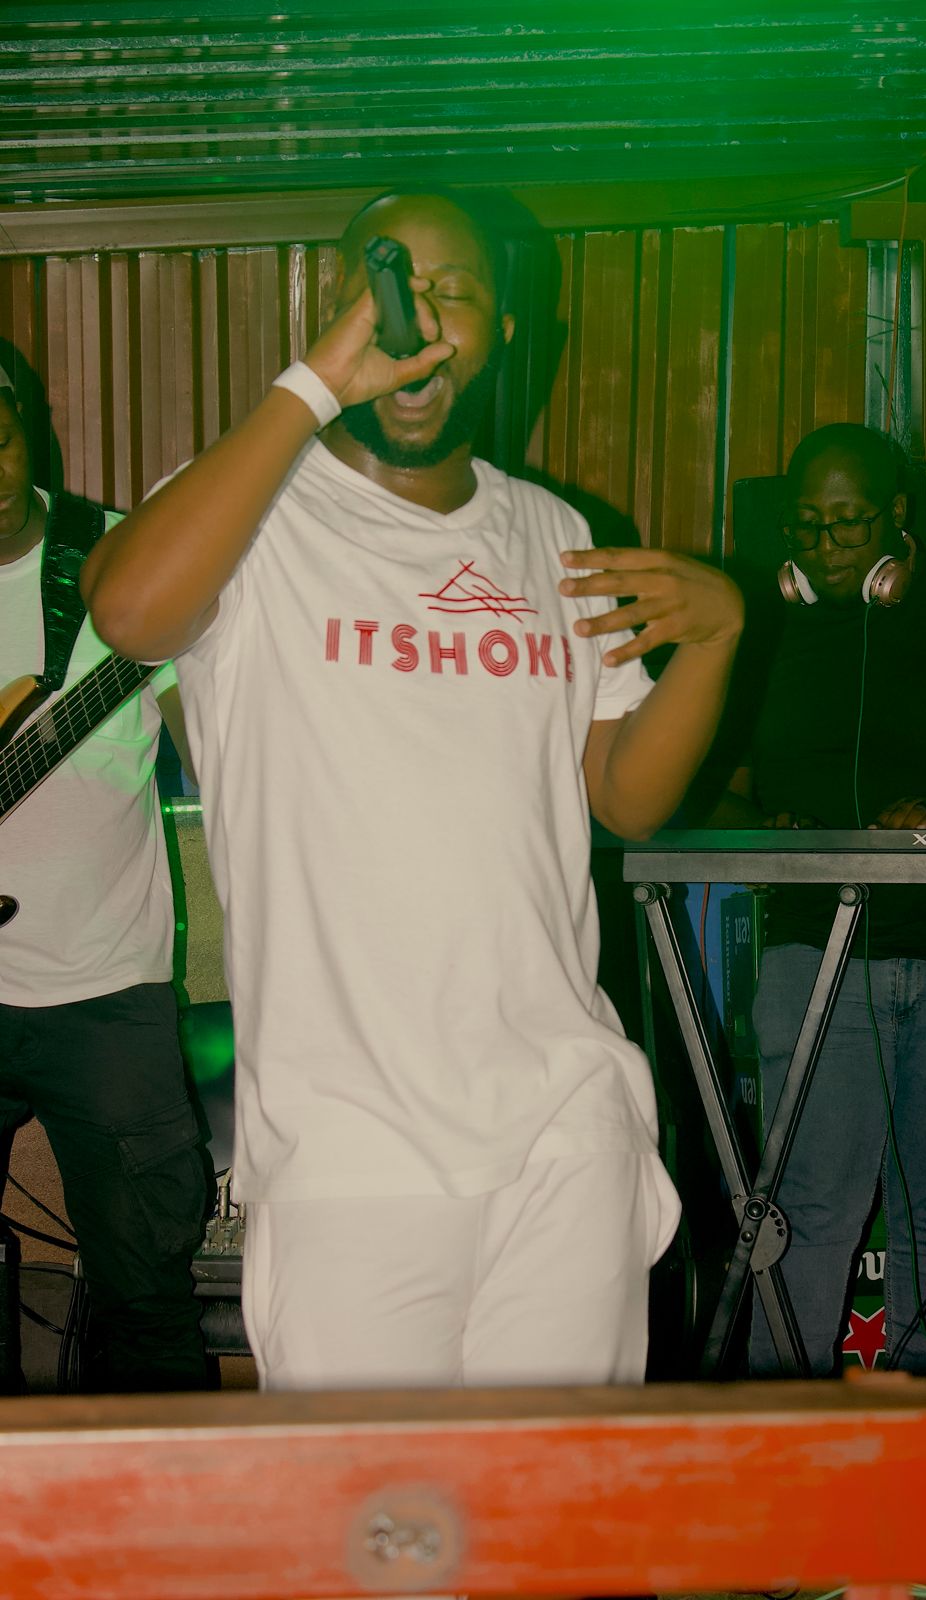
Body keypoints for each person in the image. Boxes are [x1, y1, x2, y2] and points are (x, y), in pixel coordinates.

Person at [81, 187, 745, 1392]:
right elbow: (129, 613)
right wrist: (309, 388)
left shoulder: (551, 532)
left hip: (566, 1120)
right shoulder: (252, 510)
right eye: (389, 287)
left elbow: (623, 799)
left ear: (501, 331)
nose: (422, 319)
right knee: (376, 1502)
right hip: (351, 1140)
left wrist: (712, 644)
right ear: (336, 312)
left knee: (552, 1499)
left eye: (457, 292)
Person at [710, 421, 926, 1377]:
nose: (825, 547)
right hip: (815, 952)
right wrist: (765, 827)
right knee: (805, 1213)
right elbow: (709, 785)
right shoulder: (759, 624)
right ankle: (784, 1441)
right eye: (806, 526)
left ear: (897, 515)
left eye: (848, 523)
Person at [0, 364, 211, 1391]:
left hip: (106, 990)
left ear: (31, 428)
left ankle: (167, 1489)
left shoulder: (127, 560)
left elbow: (216, 754)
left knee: (148, 1295)